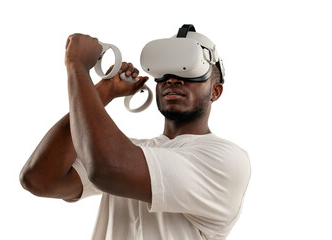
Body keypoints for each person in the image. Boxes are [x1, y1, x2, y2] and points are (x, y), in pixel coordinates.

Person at [20, 25, 251, 240]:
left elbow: (108, 167)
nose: (173, 79)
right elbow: (39, 178)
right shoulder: (129, 152)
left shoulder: (226, 160)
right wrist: (103, 92)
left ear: (216, 91)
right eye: (166, 72)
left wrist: (77, 68)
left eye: (189, 71)